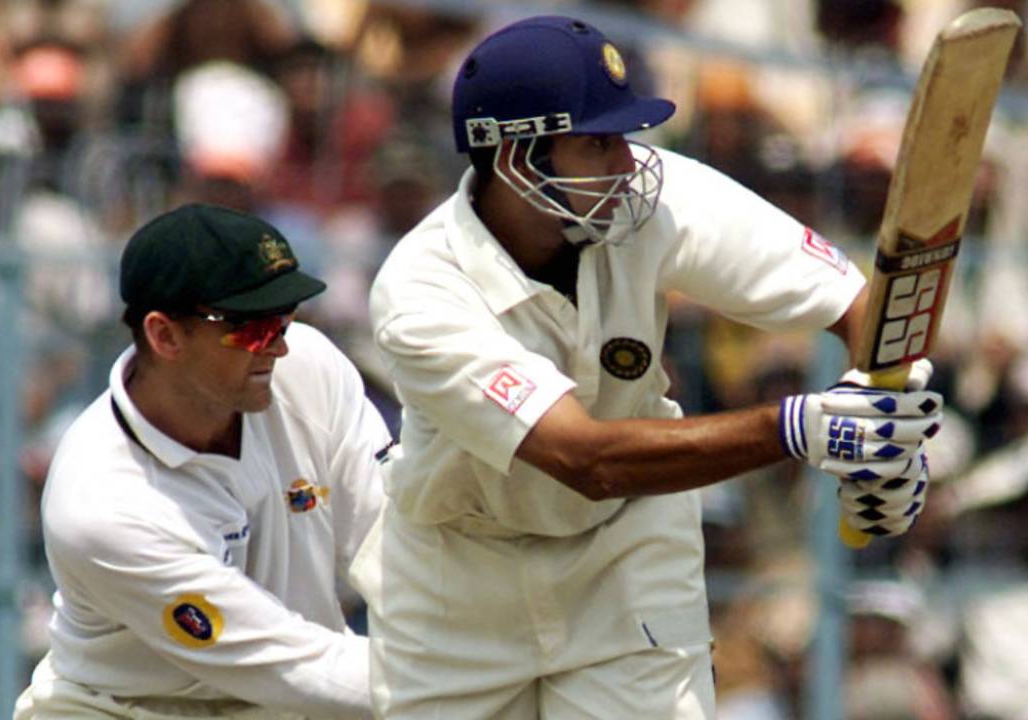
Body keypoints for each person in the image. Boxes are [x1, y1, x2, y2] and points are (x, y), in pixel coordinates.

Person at [357, 15, 944, 719]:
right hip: (458, 581)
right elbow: (583, 459)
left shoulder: (650, 196)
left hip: (623, 555)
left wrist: (889, 410)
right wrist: (801, 428)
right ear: (515, 158)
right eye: (598, 143)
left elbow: (856, 303)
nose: (627, 163)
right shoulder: (422, 292)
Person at [14, 204, 391, 719]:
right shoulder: (101, 502)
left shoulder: (309, 367)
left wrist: (482, 651)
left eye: (284, 318)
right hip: (129, 710)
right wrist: (473, 682)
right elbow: (291, 666)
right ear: (164, 335)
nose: (278, 347)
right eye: (253, 329)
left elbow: (392, 548)